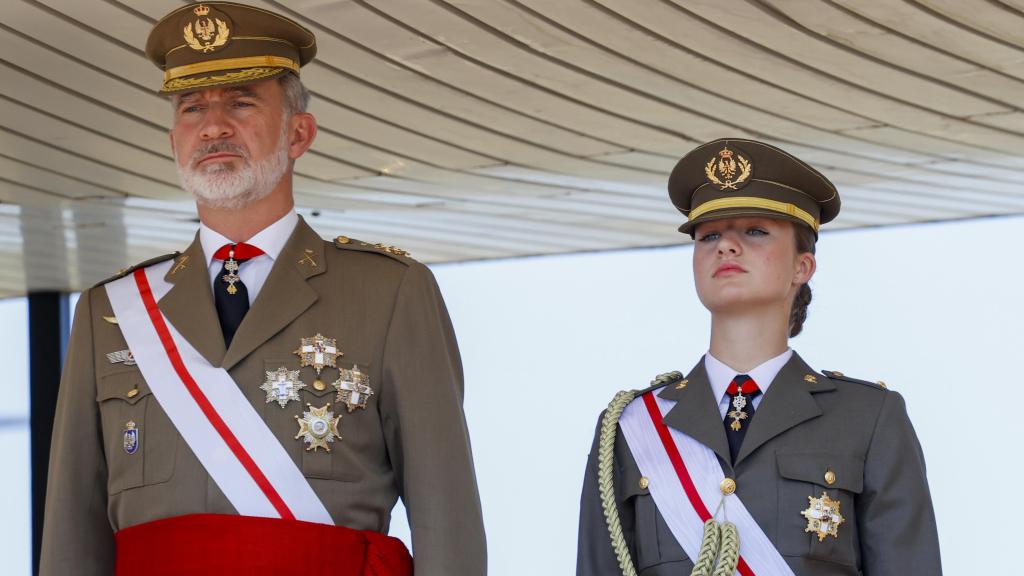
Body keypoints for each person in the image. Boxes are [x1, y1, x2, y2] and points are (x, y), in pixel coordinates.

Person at [39, 3, 485, 575]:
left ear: (299, 133)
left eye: (242, 102)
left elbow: (448, 523)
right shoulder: (113, 313)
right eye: (192, 107)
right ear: (173, 140)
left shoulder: (392, 293)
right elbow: (71, 539)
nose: (213, 126)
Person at [576, 138, 941, 575]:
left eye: (754, 231)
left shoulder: (868, 418)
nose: (725, 246)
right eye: (709, 235)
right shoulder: (632, 426)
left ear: (802, 267)